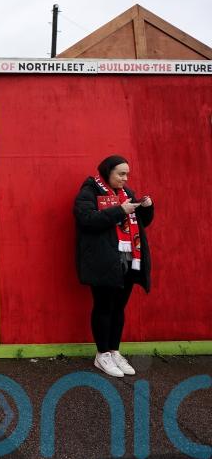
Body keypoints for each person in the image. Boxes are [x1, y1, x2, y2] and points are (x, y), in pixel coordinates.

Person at [73, 155, 154, 377]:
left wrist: (146, 207)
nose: (125, 178)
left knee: (119, 307)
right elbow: (86, 219)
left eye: (127, 174)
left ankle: (114, 350)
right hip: (103, 259)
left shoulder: (126, 194)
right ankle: (102, 355)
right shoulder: (90, 191)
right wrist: (121, 211)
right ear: (108, 172)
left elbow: (142, 222)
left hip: (128, 258)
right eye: (121, 173)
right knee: (103, 306)